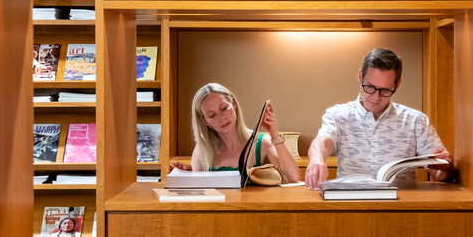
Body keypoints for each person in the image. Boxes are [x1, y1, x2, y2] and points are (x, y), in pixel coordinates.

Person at [305, 48, 454, 189]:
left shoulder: (416, 121)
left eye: (385, 90)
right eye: (369, 87)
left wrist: (447, 167)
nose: (376, 97)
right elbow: (323, 141)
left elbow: (440, 176)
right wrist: (317, 158)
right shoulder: (338, 115)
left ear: (397, 85)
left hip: (400, 206)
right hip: (350, 204)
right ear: (360, 76)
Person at [169, 83, 300, 183]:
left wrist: (274, 134)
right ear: (205, 122)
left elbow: (293, 178)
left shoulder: (262, 142)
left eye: (224, 108)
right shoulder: (203, 148)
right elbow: (198, 192)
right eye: (212, 115)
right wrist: (187, 176)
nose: (222, 117)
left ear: (234, 105)